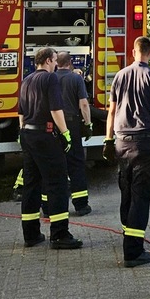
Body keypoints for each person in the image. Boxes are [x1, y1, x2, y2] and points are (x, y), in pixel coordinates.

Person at [103, 36, 150, 268]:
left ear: (133, 52)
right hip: (144, 143)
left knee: (126, 190)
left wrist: (107, 140)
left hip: (121, 142)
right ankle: (133, 252)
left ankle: (128, 236)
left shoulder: (120, 75)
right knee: (141, 195)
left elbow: (112, 111)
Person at [18, 47, 83, 250]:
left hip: (27, 134)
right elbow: (56, 109)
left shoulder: (26, 80)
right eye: (54, 60)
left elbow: (20, 112)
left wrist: (23, 133)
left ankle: (31, 234)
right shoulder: (50, 79)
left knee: (32, 184)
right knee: (57, 183)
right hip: (45, 136)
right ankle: (60, 234)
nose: (56, 64)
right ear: (47, 61)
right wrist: (65, 134)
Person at [55, 51, 93, 216]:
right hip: (71, 123)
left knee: (54, 164)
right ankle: (81, 205)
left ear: (56, 62)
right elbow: (84, 104)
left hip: (54, 125)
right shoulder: (76, 79)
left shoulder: (50, 78)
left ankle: (50, 207)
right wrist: (88, 124)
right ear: (70, 63)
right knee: (76, 163)